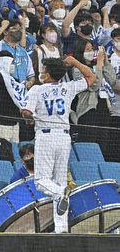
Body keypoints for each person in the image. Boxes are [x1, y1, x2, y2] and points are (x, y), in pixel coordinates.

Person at [22, 57, 96, 233]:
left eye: (43, 70)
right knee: (59, 181)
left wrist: (30, 118)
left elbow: (26, 112)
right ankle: (61, 229)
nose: (41, 72)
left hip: (46, 136)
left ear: (47, 74)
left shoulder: (37, 89)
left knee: (41, 182)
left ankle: (60, 192)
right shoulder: (68, 87)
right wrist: (74, 62)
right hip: (64, 137)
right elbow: (92, 77)